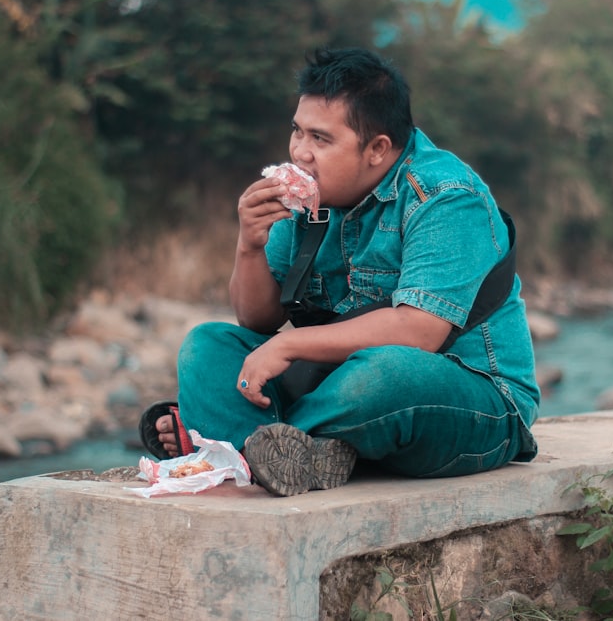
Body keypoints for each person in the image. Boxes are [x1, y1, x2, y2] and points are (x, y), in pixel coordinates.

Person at [141, 47, 539, 496]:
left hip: (472, 398)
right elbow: (257, 320)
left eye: (321, 139)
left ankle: (230, 442)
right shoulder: (309, 199)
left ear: (377, 149)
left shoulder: (445, 196)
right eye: (297, 131)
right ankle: (292, 453)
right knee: (208, 346)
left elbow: (419, 331)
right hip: (337, 389)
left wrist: (291, 344)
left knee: (385, 373)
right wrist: (249, 244)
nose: (300, 153)